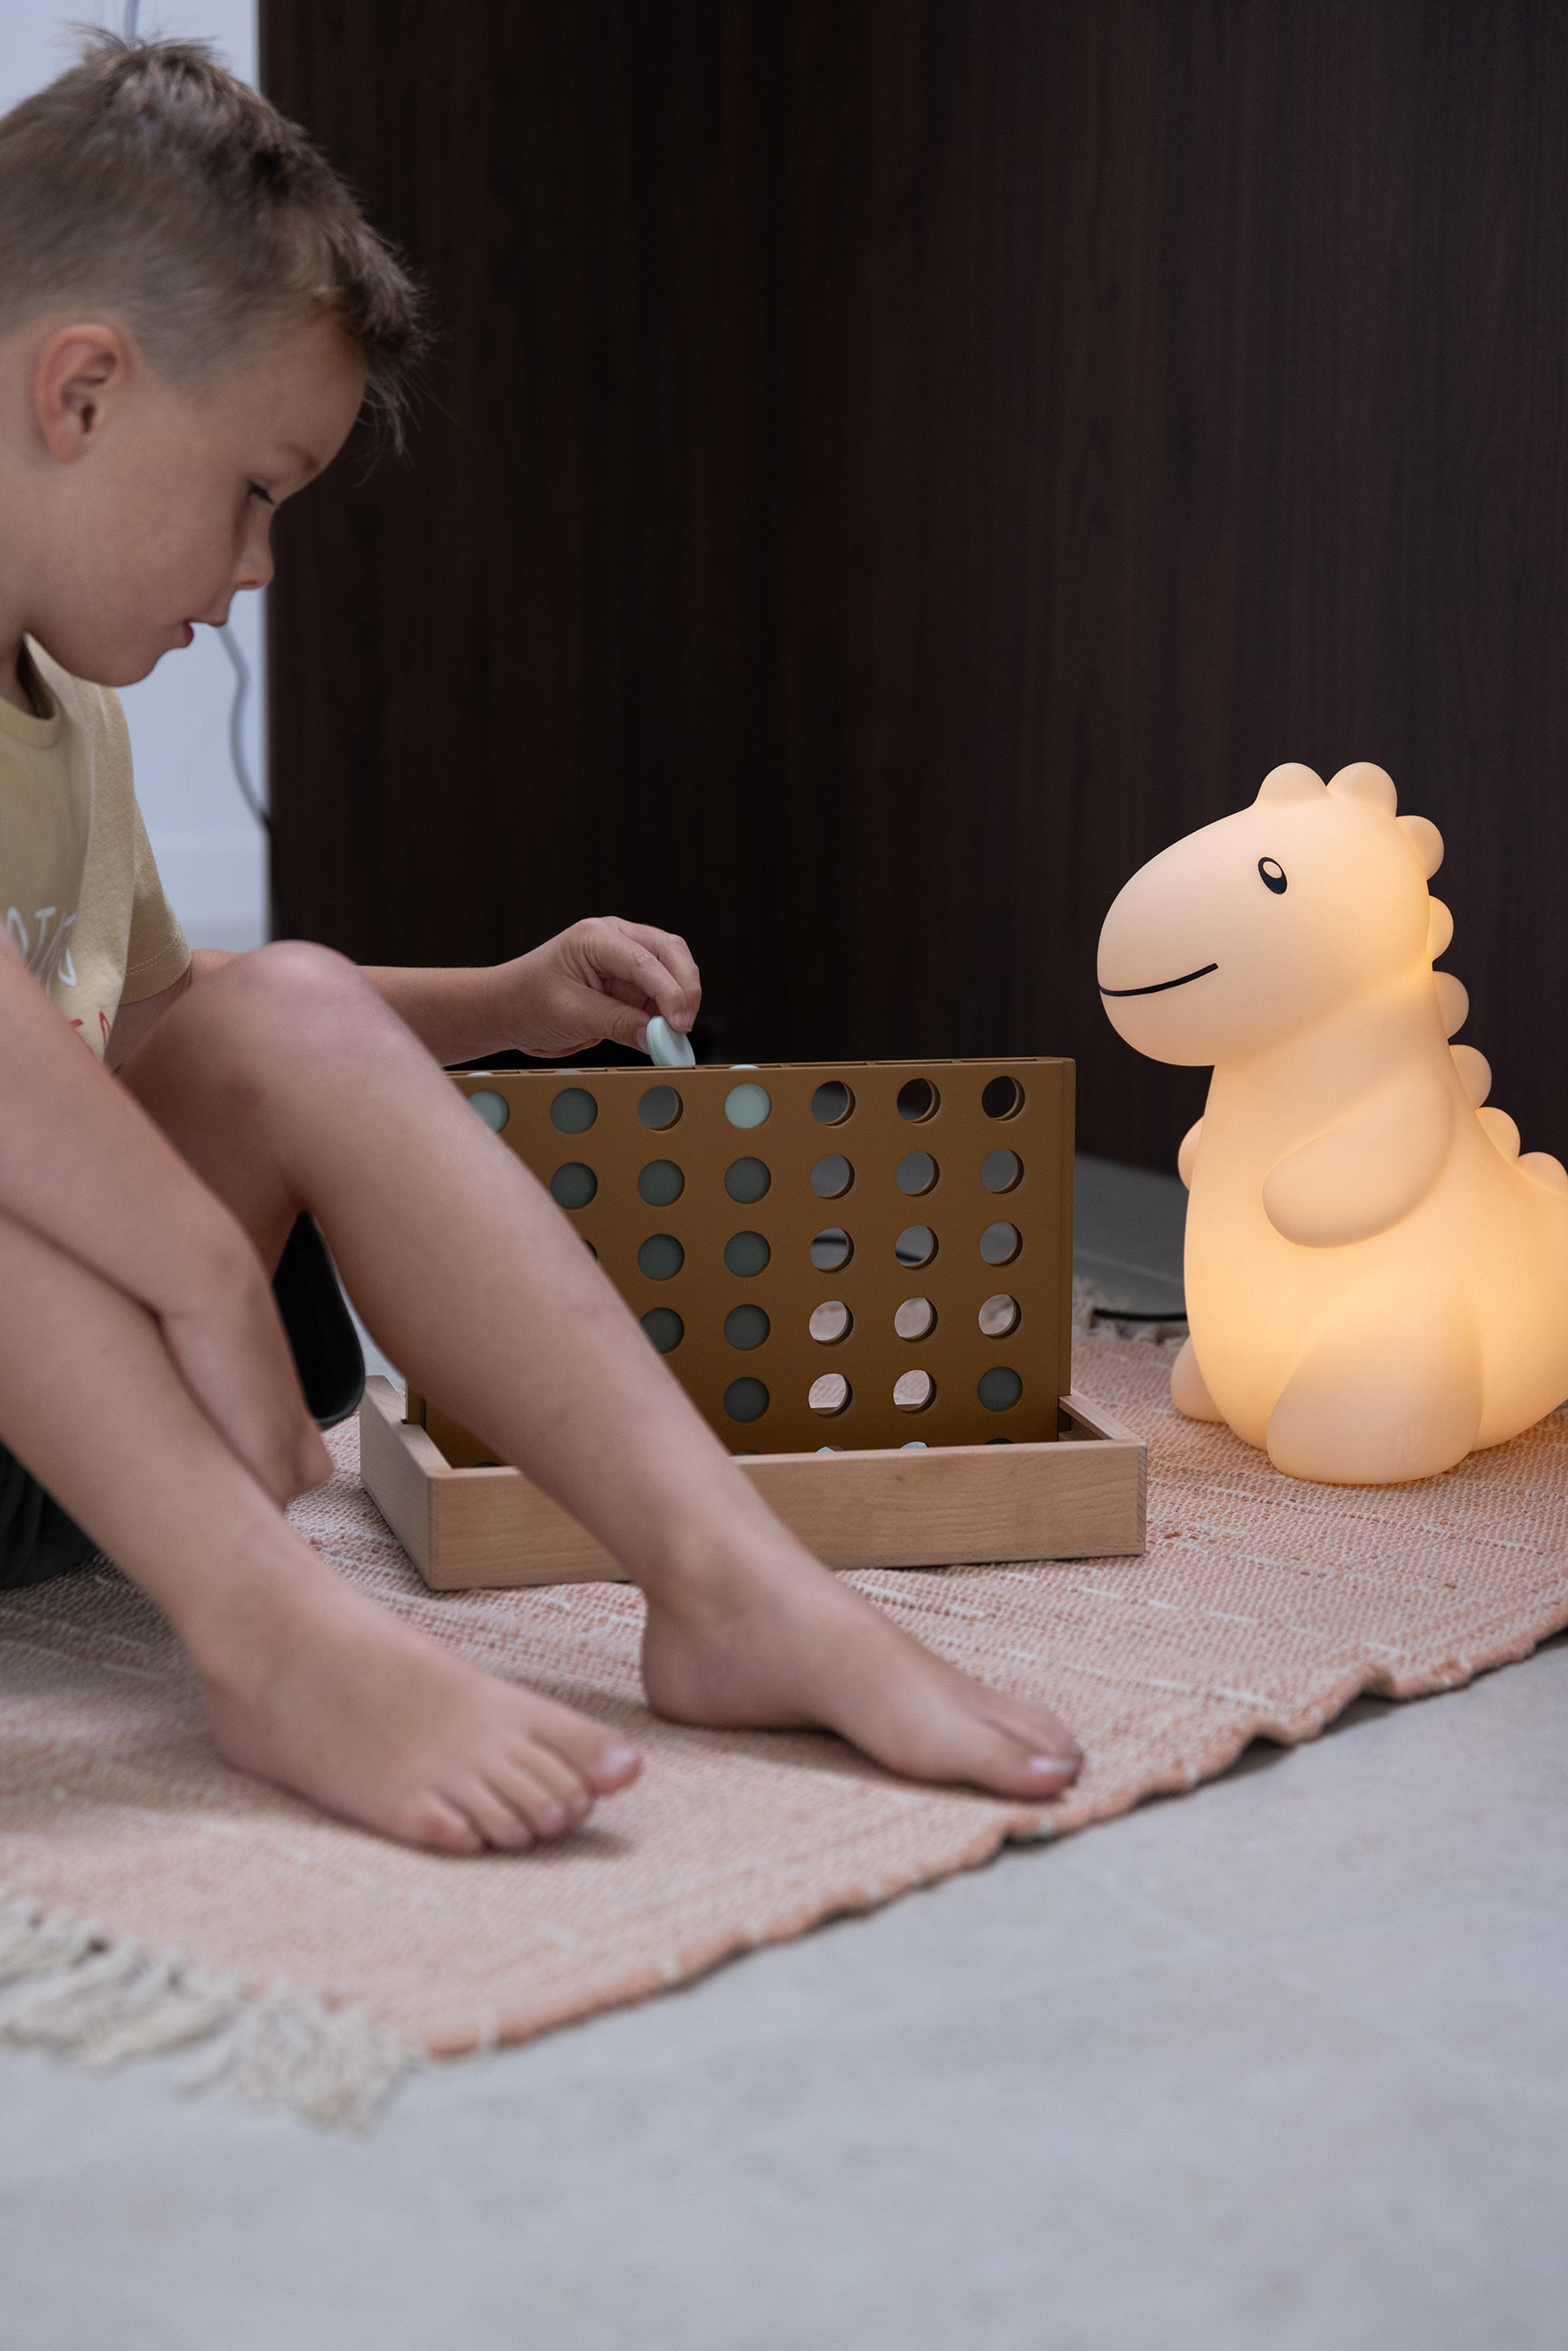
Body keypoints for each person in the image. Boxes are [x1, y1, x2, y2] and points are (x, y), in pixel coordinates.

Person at [0, 33, 1081, 1855]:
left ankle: (727, 1577)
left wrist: (504, 1003)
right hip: (92, 1353)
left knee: (290, 1004)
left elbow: (166, 1031)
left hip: (78, 1437)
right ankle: (275, 1642)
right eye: (256, 489)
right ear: (82, 391)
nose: (260, 568)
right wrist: (196, 1267)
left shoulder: (74, 722)